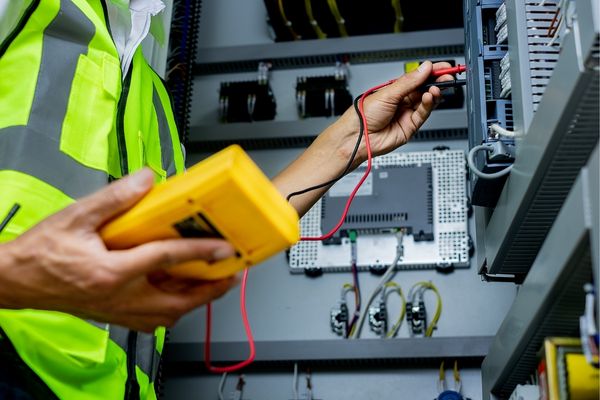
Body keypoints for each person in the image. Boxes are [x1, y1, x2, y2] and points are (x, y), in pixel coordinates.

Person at [0, 0, 451, 398]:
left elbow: (197, 246)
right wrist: (15, 278)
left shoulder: (148, 89)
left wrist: (350, 139)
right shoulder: (24, 13)